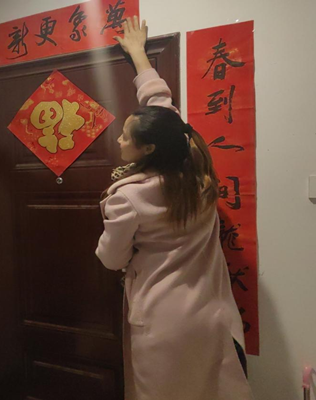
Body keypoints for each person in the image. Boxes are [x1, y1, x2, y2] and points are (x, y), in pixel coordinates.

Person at [96, 17, 254, 399]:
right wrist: (139, 55)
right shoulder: (195, 167)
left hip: (162, 322)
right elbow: (160, 106)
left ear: (148, 148)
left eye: (125, 136)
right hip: (211, 311)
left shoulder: (128, 198)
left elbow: (112, 259)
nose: (118, 140)